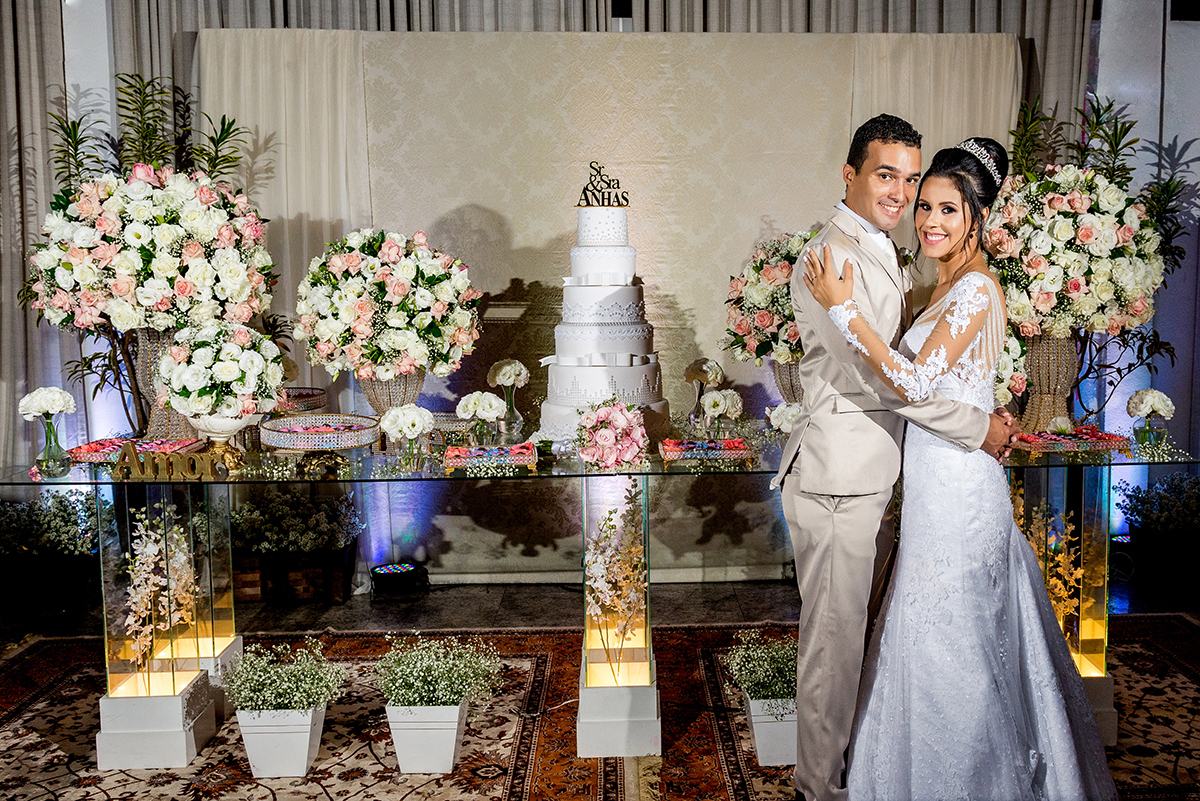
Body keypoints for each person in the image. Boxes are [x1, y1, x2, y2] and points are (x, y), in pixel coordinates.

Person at [803, 137, 1118, 800]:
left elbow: (915, 384)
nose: (929, 221)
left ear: (978, 217)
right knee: (924, 631)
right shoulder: (940, 285)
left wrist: (843, 311)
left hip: (960, 490)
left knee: (957, 638)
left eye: (948, 209)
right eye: (923, 207)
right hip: (934, 485)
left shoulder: (975, 287)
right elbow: (952, 385)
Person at [769, 114, 1020, 801]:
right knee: (835, 647)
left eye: (912, 180)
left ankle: (865, 770)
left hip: (878, 474)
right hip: (837, 478)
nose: (902, 193)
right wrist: (976, 428)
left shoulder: (890, 251)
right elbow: (880, 381)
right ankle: (818, 788)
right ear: (849, 175)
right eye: (887, 175)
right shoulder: (833, 258)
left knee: (868, 640)